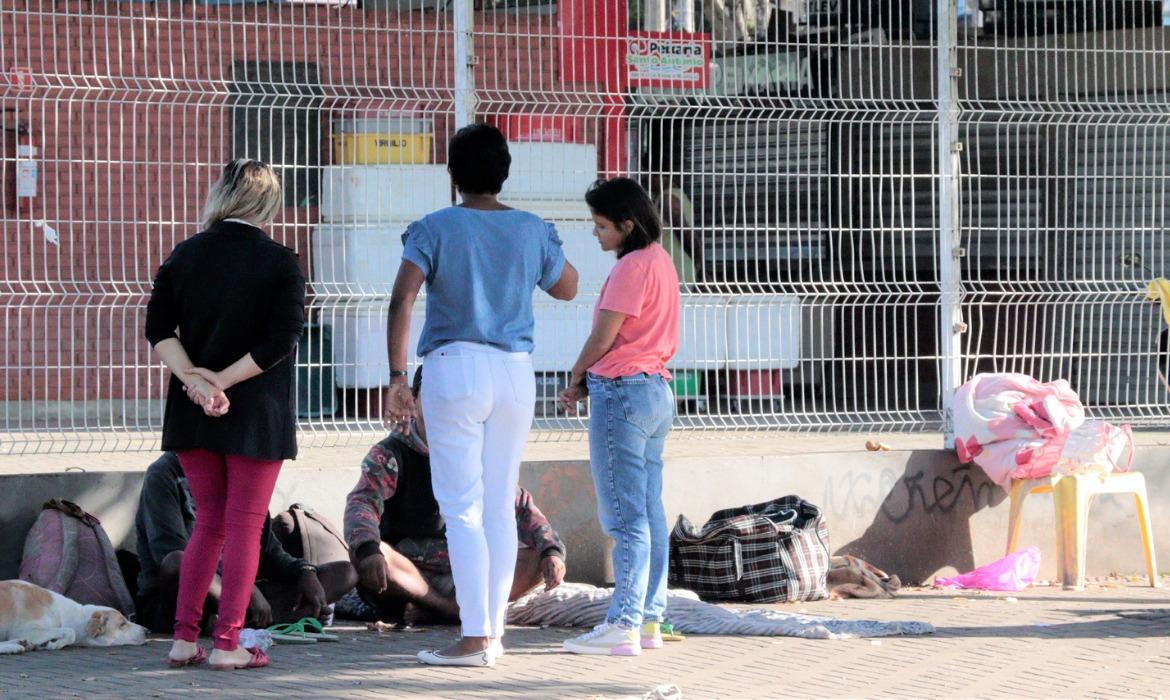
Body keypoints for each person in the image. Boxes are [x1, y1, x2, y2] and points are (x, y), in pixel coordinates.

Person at [384, 123, 578, 667]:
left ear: (451, 175)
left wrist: (398, 377)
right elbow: (568, 286)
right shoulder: (531, 228)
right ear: (506, 172)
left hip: (453, 370)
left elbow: (402, 301)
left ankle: (475, 639)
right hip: (516, 373)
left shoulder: (434, 227)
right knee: (497, 506)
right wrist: (544, 242)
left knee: (462, 508)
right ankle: (491, 635)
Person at [144, 159, 305, 670]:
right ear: (267, 204)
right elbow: (281, 340)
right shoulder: (281, 262)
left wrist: (195, 381)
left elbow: (158, 329)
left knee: (207, 526)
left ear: (223, 197)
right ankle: (229, 645)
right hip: (258, 415)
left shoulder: (185, 254)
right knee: (243, 527)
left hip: (192, 415)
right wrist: (223, 382)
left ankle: (184, 639)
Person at [559, 177, 680, 656]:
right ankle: (649, 619)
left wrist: (575, 375)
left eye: (602, 225)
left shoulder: (632, 266)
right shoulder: (662, 261)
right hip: (654, 392)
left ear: (628, 225)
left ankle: (623, 624)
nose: (596, 234)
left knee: (625, 517)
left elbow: (604, 336)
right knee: (648, 511)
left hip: (623, 394)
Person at [345, 367, 566, 625]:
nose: (442, 406)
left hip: (468, 569)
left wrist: (551, 550)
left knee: (538, 557)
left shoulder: (478, 452)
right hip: (409, 575)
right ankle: (447, 609)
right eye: (434, 396)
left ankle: (449, 609)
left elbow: (519, 507)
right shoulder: (391, 454)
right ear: (414, 400)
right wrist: (369, 549)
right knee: (373, 554)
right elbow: (363, 503)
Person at [135, 452, 357, 636]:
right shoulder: (165, 474)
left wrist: (304, 571)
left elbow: (270, 553)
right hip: (182, 599)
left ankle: (261, 620)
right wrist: (243, 590)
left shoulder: (243, 471)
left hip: (247, 590)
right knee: (179, 562)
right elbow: (170, 553)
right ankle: (269, 619)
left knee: (345, 572)